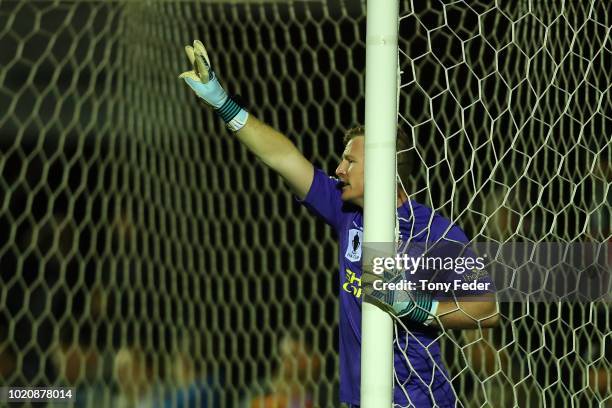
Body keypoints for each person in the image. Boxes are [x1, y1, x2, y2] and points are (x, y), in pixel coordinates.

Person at [180, 40, 499, 407]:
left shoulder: (433, 232)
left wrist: (418, 309)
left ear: (385, 169)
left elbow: (487, 309)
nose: (339, 170)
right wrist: (223, 103)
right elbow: (283, 157)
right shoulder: (345, 210)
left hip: (420, 401)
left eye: (350, 162)